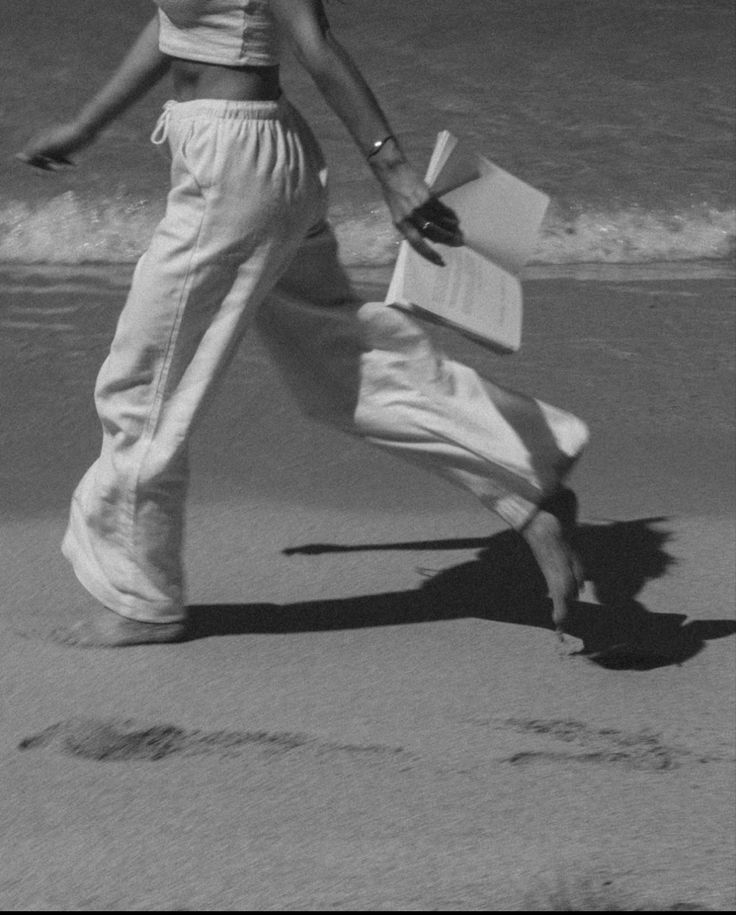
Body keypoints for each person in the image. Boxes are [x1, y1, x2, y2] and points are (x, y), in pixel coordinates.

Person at [19, 0, 588, 649]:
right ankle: (525, 476)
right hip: (249, 160)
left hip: (236, 170)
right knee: (342, 368)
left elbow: (314, 42)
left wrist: (396, 174)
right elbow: (172, 23)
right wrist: (86, 125)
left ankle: (141, 598)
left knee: (141, 385)